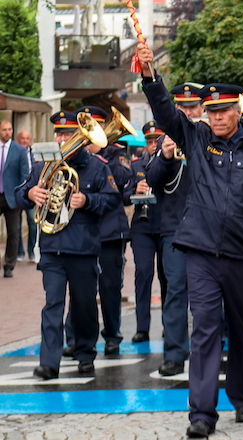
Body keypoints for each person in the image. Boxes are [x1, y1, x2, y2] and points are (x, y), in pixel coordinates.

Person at [137, 44, 243, 433]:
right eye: (212, 111)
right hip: (201, 250)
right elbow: (166, 113)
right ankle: (201, 415)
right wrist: (151, 75)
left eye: (224, 110)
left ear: (239, 111)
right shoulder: (196, 139)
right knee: (205, 327)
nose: (218, 117)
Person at [16, 110, 119, 379]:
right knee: (53, 304)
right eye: (59, 134)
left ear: (80, 137)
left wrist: (87, 201)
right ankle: (49, 362)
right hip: (51, 247)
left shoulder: (97, 167)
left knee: (84, 304)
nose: (63, 139)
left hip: (83, 248)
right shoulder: (41, 166)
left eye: (68, 133)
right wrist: (30, 193)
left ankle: (85, 352)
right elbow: (18, 195)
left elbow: (112, 200)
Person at [147, 83, 204, 375]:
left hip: (206, 228)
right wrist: (166, 157)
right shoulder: (166, 139)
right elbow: (153, 181)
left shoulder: (208, 136)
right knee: (175, 293)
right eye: (181, 106)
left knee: (207, 295)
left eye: (192, 106)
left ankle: (209, 349)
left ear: (202, 108)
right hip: (174, 228)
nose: (187, 111)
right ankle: (174, 354)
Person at [70, 105, 132, 356]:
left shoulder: (116, 154)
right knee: (80, 288)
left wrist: (99, 153)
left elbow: (122, 179)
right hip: (82, 232)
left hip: (110, 231)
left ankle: (112, 335)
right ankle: (76, 337)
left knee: (109, 287)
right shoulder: (75, 156)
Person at [123, 120, 167, 343]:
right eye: (149, 141)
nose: (153, 145)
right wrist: (134, 189)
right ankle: (142, 327)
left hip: (166, 225)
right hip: (142, 226)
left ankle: (169, 325)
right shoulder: (136, 165)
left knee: (167, 276)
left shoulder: (172, 162)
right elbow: (123, 196)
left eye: (156, 140)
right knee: (143, 274)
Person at [0, 119, 30, 277]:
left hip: (11, 198)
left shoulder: (19, 150)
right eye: (4, 129)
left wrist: (20, 196)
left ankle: (9, 266)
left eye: (10, 129)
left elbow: (24, 175)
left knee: (13, 232)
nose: (7, 132)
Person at [16, 129, 36, 263]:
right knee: (16, 225)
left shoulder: (34, 154)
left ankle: (32, 251)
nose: (25, 141)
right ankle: (20, 252)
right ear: (18, 139)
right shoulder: (15, 152)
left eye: (27, 138)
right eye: (22, 138)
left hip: (30, 191)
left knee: (32, 222)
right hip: (17, 192)